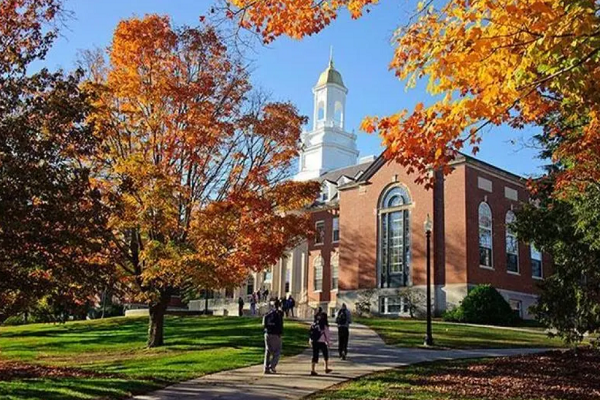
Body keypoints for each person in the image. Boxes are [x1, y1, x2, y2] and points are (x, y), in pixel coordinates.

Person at [263, 300, 284, 374]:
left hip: (267, 333)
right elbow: (280, 324)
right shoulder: (279, 314)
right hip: (275, 334)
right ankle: (272, 366)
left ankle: (266, 367)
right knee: (277, 351)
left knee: (268, 351)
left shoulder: (268, 313)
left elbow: (264, 323)